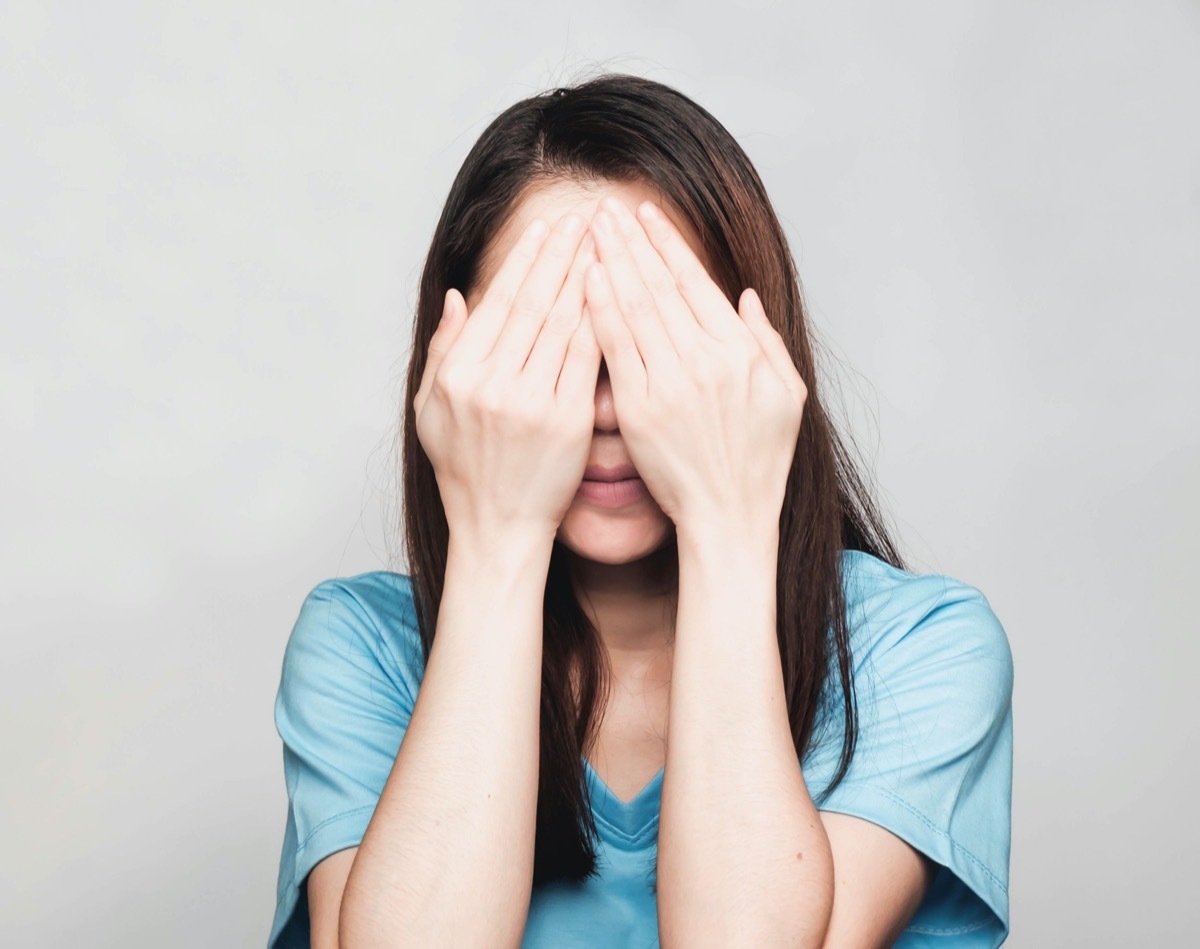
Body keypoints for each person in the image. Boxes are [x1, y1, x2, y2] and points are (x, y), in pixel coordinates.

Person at [267, 73, 1014, 949]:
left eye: (659, 343)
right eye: (546, 344)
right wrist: (498, 539)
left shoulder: (919, 650)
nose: (607, 407)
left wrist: (729, 516)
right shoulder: (364, 647)